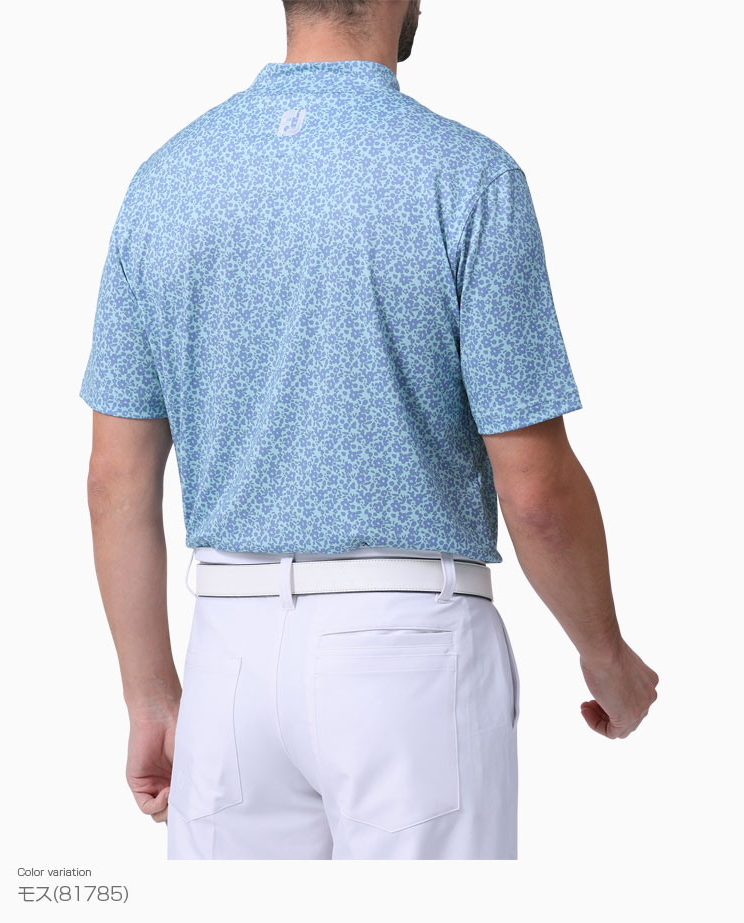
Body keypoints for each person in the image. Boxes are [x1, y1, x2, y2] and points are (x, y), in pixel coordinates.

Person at [79, 0, 658, 860]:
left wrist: (150, 694)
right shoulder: (466, 178)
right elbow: (534, 490)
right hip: (410, 650)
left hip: (227, 657)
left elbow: (115, 478)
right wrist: (606, 656)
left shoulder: (164, 183)